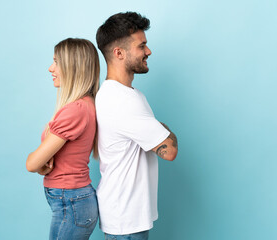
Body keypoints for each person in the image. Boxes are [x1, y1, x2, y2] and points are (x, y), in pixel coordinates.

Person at [95, 12, 178, 239]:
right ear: (119, 53)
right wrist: (161, 128)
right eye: (142, 46)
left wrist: (157, 128)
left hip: (125, 217)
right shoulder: (123, 100)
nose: (148, 52)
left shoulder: (121, 95)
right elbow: (169, 150)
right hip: (126, 222)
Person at [26, 38, 100, 240]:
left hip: (72, 202)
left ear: (73, 67)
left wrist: (39, 162)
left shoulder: (75, 111)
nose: (51, 68)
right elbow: (42, 164)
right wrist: (43, 165)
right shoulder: (84, 105)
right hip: (72, 202)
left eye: (57, 62)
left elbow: (31, 164)